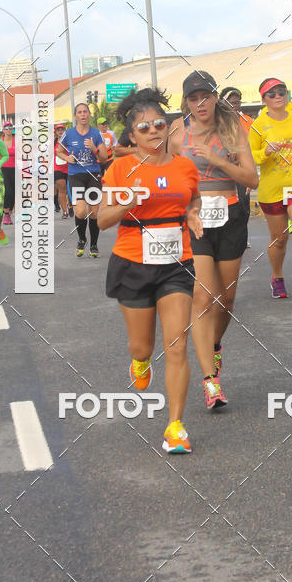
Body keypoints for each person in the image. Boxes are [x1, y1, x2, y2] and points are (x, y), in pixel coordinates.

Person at [98, 88, 202, 454]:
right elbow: (102, 219)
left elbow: (193, 196)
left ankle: (176, 426)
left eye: (159, 124)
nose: (154, 131)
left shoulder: (184, 166)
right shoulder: (121, 168)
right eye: (144, 128)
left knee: (177, 345)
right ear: (132, 135)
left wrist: (191, 213)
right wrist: (128, 200)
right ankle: (140, 362)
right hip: (133, 263)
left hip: (176, 264)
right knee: (142, 345)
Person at [169, 71, 258, 409]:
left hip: (231, 217)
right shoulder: (178, 133)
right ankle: (210, 381)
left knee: (227, 300)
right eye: (194, 98)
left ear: (214, 98)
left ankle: (214, 345)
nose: (200, 103)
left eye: (205, 96)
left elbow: (252, 178)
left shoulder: (232, 129)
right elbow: (168, 175)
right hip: (195, 223)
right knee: (203, 297)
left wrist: (218, 158)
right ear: (186, 102)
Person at [249, 78, 292, 299]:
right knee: (280, 238)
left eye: (282, 92)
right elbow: (251, 157)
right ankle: (277, 277)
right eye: (272, 94)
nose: (278, 97)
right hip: (273, 188)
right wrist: (265, 153)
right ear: (264, 99)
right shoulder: (258, 125)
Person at [57, 103, 108, 257]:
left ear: (89, 114)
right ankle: (81, 239)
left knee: (93, 212)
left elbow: (104, 158)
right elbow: (59, 151)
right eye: (79, 112)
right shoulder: (69, 134)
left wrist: (95, 149)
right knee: (80, 211)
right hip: (75, 175)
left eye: (85, 112)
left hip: (93, 175)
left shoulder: (97, 134)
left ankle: (93, 245)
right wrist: (67, 157)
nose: (83, 115)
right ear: (75, 116)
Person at [220, 86, 253, 224]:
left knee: (243, 205)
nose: (235, 105)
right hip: (221, 173)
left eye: (237, 102)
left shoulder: (248, 121)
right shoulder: (216, 122)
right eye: (231, 102)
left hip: (241, 171)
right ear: (222, 103)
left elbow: (254, 148)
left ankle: (242, 238)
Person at [53, 123, 71, 218]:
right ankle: (65, 212)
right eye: (58, 130)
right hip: (58, 168)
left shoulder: (70, 141)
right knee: (62, 188)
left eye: (62, 129)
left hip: (70, 168)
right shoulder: (53, 143)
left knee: (70, 190)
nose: (60, 131)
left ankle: (71, 204)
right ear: (55, 132)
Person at [1, 121, 16, 225]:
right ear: (3, 130)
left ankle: (9, 213)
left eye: (10, 128)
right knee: (7, 191)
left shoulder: (17, 141)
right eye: (6, 128)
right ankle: (6, 213)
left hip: (15, 169)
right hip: (3, 169)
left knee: (14, 193)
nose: (8, 130)